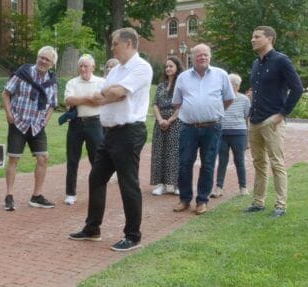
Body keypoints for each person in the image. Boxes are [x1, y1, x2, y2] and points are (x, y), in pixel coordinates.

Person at [68, 27, 153, 252]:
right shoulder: (116, 71)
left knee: (128, 183)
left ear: (128, 44)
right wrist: (109, 94)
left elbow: (116, 93)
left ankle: (133, 235)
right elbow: (103, 95)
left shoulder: (142, 67)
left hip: (130, 132)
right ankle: (92, 228)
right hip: (110, 133)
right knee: (96, 178)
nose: (112, 47)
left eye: (115, 43)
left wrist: (109, 94)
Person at [244, 26, 304, 217]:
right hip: (254, 121)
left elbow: (297, 89)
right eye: (252, 36)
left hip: (272, 121)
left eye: (257, 37)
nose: (252, 40)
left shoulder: (281, 60)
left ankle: (280, 205)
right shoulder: (256, 63)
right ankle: (258, 202)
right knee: (259, 163)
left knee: (276, 163)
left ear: (269, 39)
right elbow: (259, 90)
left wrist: (282, 114)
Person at [171, 43, 234, 215]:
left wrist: (214, 110)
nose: (203, 57)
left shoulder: (221, 75)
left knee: (207, 164)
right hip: (188, 128)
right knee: (184, 163)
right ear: (192, 57)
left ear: (210, 56)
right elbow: (177, 102)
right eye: (199, 54)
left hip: (212, 127)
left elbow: (229, 99)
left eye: (206, 54)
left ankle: (202, 200)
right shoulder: (183, 77)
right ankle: (184, 199)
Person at [2, 46, 59, 211]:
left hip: (37, 126)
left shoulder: (52, 81)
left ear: (52, 64)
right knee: (14, 159)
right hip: (18, 123)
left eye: (47, 59)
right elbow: (6, 93)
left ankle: (36, 196)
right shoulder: (23, 73)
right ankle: (9, 195)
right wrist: (8, 114)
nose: (43, 61)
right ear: (37, 57)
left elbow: (52, 105)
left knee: (43, 158)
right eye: (41, 57)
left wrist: (44, 122)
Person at [62, 54, 105, 205]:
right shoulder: (72, 82)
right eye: (81, 66)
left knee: (97, 160)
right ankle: (70, 193)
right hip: (76, 124)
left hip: (95, 123)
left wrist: (80, 99)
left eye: (86, 66)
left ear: (93, 67)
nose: (83, 68)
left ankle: (97, 193)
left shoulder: (101, 82)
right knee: (72, 159)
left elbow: (101, 101)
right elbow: (69, 100)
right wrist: (89, 99)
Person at [211, 73, 251, 198]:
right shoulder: (220, 98)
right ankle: (218, 187)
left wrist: (248, 140)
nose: (228, 86)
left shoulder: (244, 99)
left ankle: (243, 187)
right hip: (222, 133)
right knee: (222, 161)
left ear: (237, 86)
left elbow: (247, 118)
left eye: (232, 85)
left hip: (239, 133)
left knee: (239, 160)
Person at [150, 56, 183, 196]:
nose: (168, 68)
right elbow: (155, 104)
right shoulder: (160, 86)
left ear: (177, 68)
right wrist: (160, 120)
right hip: (160, 123)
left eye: (171, 66)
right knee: (159, 153)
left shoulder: (181, 85)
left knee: (174, 153)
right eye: (166, 66)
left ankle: (176, 184)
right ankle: (161, 184)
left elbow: (182, 105)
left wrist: (169, 120)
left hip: (175, 123)